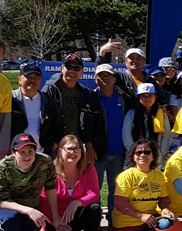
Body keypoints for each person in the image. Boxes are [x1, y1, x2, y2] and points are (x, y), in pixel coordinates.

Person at [41, 54, 106, 170]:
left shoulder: (84, 93)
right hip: (56, 146)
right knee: (52, 182)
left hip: (76, 145)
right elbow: (42, 118)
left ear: (82, 71)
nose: (72, 71)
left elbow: (88, 121)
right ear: (62, 68)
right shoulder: (50, 89)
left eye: (76, 68)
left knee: (74, 181)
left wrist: (87, 145)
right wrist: (52, 143)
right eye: (69, 67)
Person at [0, 133, 58, 231]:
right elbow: (1, 200)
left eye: (30, 151)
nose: (27, 156)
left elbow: (50, 187)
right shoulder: (3, 167)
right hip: (5, 206)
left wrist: (55, 216)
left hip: (30, 205)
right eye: (22, 152)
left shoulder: (45, 162)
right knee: (11, 220)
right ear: (13, 152)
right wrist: (28, 210)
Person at [94, 63, 135, 223]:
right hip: (98, 152)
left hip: (118, 152)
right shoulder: (91, 97)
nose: (105, 78)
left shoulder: (124, 98)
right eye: (101, 76)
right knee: (95, 190)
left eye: (108, 75)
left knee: (115, 188)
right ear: (96, 79)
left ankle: (114, 218)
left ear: (114, 79)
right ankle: (95, 219)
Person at [40, 135, 102, 231]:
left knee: (94, 208)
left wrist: (77, 202)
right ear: (60, 151)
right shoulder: (50, 171)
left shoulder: (88, 168)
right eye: (69, 149)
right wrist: (56, 221)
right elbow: (44, 201)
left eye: (76, 148)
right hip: (55, 218)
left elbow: (94, 194)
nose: (73, 152)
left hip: (76, 215)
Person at [114, 139, 175, 231]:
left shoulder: (159, 175)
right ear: (133, 157)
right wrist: (141, 216)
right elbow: (120, 203)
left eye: (147, 152)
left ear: (153, 156)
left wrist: (165, 209)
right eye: (138, 153)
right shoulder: (126, 176)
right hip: (127, 222)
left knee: (168, 225)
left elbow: (164, 199)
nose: (143, 155)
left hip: (151, 219)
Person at [9, 63, 61, 154]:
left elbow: (59, 124)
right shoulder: (11, 99)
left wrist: (54, 144)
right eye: (28, 77)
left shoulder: (48, 101)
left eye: (37, 78)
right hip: (16, 154)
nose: (32, 81)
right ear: (19, 79)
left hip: (42, 153)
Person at [96, 42, 161, 100]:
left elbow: (161, 99)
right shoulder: (119, 77)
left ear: (144, 62)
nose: (135, 61)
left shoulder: (151, 81)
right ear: (126, 62)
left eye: (138, 58)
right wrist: (102, 53)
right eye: (131, 58)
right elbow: (102, 70)